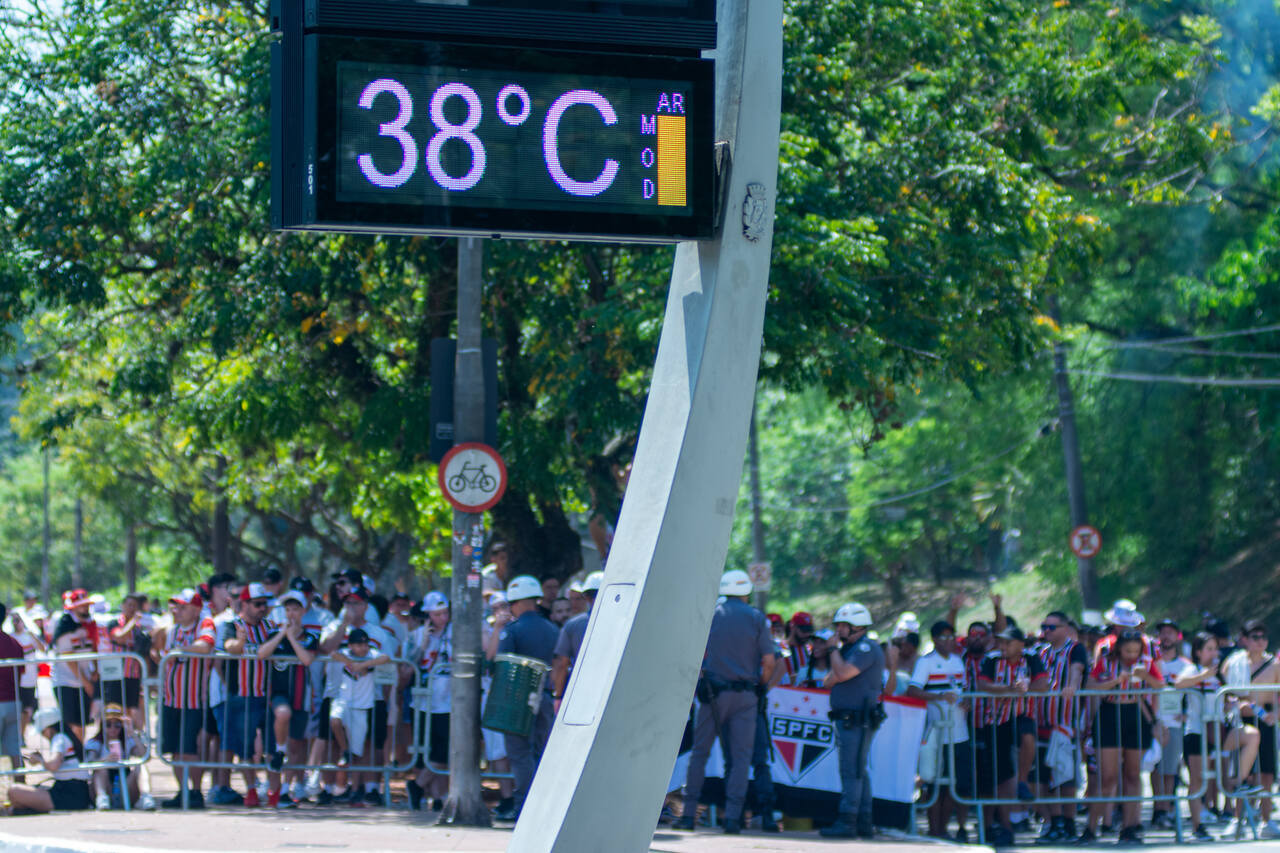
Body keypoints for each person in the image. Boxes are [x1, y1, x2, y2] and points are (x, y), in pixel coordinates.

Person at [673, 570, 774, 835]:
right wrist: (760, 686)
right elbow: (769, 662)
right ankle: (732, 819)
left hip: (713, 695)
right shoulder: (756, 618)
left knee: (700, 754)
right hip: (745, 697)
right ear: (747, 593)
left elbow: (690, 652)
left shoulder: (711, 613)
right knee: (740, 759)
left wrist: (700, 682)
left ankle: (688, 816)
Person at [1081, 628, 1164, 845]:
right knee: (1107, 777)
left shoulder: (1146, 662)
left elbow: (1161, 685)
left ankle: (1129, 827)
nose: (1131, 655)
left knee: (1132, 775)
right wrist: (1115, 681)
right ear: (1119, 648)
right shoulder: (1106, 661)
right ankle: (1091, 828)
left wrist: (1145, 676)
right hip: (1109, 713)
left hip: (1134, 715)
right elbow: (1090, 685)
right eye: (1127, 651)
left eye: (1136, 651)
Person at [812, 601, 884, 839]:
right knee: (858, 770)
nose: (839, 630)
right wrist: (837, 659)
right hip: (848, 719)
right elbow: (828, 680)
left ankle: (848, 822)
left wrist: (832, 652)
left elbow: (840, 674)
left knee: (851, 771)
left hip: (857, 720)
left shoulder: (865, 649)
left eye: (844, 625)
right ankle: (863, 822)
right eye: (838, 625)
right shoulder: (849, 650)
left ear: (858, 626)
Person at [1176, 631, 1254, 842]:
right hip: (1196, 731)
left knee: (1250, 736)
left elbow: (1226, 698)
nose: (1213, 653)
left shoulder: (1219, 674)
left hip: (1218, 729)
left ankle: (1240, 780)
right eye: (1209, 649)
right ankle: (1196, 825)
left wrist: (1233, 704)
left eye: (1215, 649)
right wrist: (1202, 676)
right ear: (1198, 651)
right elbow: (1178, 683)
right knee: (1197, 780)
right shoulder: (1193, 669)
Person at [318, 585, 391, 805]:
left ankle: (366, 788)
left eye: (356, 603)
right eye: (348, 603)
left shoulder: (377, 633)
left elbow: (388, 664)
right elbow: (326, 648)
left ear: (366, 606)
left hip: (370, 696)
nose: (351, 607)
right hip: (335, 692)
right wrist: (343, 626)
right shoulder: (333, 626)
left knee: (367, 743)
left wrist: (386, 697)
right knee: (331, 739)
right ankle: (328, 788)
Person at [975, 625, 1048, 845]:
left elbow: (1043, 684)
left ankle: (1023, 781)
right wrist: (1009, 688)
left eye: (1008, 642)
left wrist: (1026, 688)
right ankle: (1006, 827)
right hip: (995, 720)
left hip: (1022, 713)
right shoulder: (991, 659)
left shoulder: (1031, 657)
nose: (1003, 646)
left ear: (1020, 644)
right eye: (1002, 642)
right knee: (1001, 776)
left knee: (1028, 736)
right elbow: (982, 684)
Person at [497, 574, 560, 821]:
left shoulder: (512, 630)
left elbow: (501, 665)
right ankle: (543, 806)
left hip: (518, 702)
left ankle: (524, 807)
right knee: (541, 752)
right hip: (545, 698)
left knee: (520, 753)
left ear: (518, 602)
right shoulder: (553, 629)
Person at [908, 620, 971, 841]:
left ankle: (943, 828)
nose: (949, 641)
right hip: (937, 733)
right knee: (934, 783)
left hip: (960, 732)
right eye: (943, 637)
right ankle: (934, 829)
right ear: (934, 639)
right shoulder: (926, 663)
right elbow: (913, 690)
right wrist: (938, 697)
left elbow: (963, 691)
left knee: (954, 784)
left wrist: (966, 702)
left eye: (951, 636)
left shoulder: (958, 661)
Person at [256, 589, 318, 808]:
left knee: (296, 746)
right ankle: (278, 753)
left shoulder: (310, 636)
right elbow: (262, 654)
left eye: (295, 609)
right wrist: (282, 634)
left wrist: (292, 636)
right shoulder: (275, 633)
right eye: (288, 609)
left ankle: (284, 791)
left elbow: (307, 660)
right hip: (278, 693)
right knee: (282, 715)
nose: (291, 613)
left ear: (303, 611)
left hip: (301, 695)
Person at [220, 582, 278, 807]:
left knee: (272, 748)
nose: (263, 608)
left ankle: (274, 790)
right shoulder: (231, 625)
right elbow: (230, 647)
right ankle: (251, 790)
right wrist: (242, 640)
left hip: (268, 696)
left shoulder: (271, 626)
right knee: (245, 749)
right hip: (241, 695)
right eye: (258, 604)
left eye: (265, 603)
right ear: (245, 604)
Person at [156, 588, 216, 808]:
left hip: (193, 700)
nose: (177, 611)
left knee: (190, 748)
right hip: (171, 699)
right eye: (176, 606)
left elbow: (206, 645)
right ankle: (181, 791)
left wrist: (181, 650)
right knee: (175, 750)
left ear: (196, 608)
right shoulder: (173, 630)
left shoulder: (204, 624)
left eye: (183, 606)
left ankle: (196, 791)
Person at [1034, 610, 1088, 842]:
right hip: (1041, 722)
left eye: (1051, 627)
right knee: (1043, 777)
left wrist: (1072, 686)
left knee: (1065, 775)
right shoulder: (1040, 652)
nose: (1046, 631)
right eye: (1044, 626)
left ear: (1065, 628)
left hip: (1065, 722)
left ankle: (1068, 822)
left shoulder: (1075, 649)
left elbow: (1077, 670)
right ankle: (1053, 820)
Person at [328, 628, 388, 805]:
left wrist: (362, 664)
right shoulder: (346, 652)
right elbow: (333, 653)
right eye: (358, 644)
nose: (362, 648)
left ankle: (355, 789)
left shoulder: (372, 654)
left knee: (358, 751)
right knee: (335, 719)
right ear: (351, 645)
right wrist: (350, 661)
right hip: (344, 700)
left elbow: (386, 658)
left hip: (362, 706)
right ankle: (344, 749)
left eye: (364, 644)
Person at [407, 591, 452, 811]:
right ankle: (435, 797)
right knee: (427, 751)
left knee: (443, 751)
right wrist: (423, 644)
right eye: (437, 614)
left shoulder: (455, 633)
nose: (442, 618)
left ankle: (418, 786)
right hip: (423, 702)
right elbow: (407, 667)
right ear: (428, 616)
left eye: (445, 613)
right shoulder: (416, 635)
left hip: (449, 701)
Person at [9, 707, 92, 814]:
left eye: (42, 732)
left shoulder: (59, 738)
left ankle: (33, 810)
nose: (43, 736)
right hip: (72, 791)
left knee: (14, 791)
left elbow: (53, 765)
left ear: (49, 728)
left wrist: (39, 760)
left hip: (69, 793)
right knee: (18, 798)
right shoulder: (65, 737)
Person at [1149, 618, 1190, 830]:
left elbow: (1192, 694)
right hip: (1152, 720)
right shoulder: (1151, 662)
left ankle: (1165, 810)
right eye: (1162, 632)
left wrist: (1186, 715)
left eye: (1170, 632)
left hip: (1173, 723)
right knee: (1155, 768)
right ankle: (1158, 809)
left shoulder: (1185, 665)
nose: (1166, 636)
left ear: (1177, 636)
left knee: (1169, 769)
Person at [85, 703, 152, 810]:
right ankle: (102, 798)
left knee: (141, 765)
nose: (113, 729)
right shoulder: (95, 742)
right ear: (102, 725)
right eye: (108, 725)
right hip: (105, 784)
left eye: (117, 725)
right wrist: (104, 760)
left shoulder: (128, 740)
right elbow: (88, 763)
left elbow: (145, 756)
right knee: (100, 768)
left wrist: (133, 733)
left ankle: (146, 796)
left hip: (125, 785)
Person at [52, 589, 99, 742]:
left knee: (82, 723)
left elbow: (93, 649)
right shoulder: (65, 626)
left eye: (86, 605)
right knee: (73, 724)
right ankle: (74, 755)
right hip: (67, 681)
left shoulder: (88, 625)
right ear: (73, 607)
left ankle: (80, 756)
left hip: (83, 681)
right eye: (81, 605)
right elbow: (68, 658)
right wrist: (86, 682)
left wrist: (95, 670)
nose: (85, 608)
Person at [550, 571, 602, 707]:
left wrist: (558, 696)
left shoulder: (573, 624)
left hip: (581, 690)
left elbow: (562, 663)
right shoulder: (625, 621)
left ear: (586, 597)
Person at [104, 592, 151, 732]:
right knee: (114, 708)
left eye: (135, 606)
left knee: (134, 707)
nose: (131, 608)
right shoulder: (114, 623)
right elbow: (119, 636)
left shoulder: (140, 628)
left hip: (134, 673)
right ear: (122, 605)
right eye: (129, 605)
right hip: (115, 673)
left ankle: (136, 737)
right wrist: (133, 621)